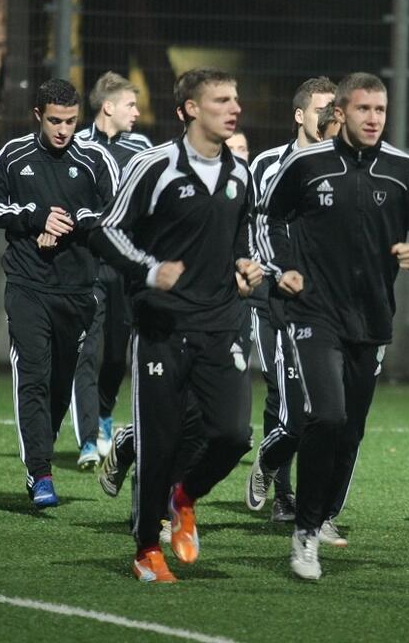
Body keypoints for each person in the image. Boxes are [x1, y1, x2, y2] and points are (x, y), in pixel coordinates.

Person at [254, 72, 409, 580]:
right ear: (340, 113)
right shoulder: (306, 164)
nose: (373, 119)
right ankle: (304, 531)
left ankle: (319, 517)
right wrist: (284, 267)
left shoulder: (404, 170)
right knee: (327, 415)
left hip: (372, 319)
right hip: (314, 314)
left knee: (352, 429)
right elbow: (268, 220)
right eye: (363, 110)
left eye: (380, 111)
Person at [91, 67, 262, 583]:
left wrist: (247, 267)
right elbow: (107, 229)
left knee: (233, 435)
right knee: (160, 443)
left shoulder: (240, 174)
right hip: (162, 327)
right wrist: (148, 271)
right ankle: (146, 547)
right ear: (189, 108)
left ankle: (185, 497)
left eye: (235, 99)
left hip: (221, 324)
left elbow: (243, 243)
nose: (233, 108)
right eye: (220, 100)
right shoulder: (155, 166)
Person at [0, 78, 119, 508]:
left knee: (62, 384)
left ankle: (45, 442)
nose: (64, 129)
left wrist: (76, 221)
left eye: (71, 121)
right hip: (28, 286)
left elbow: (117, 213)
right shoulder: (14, 155)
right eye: (55, 121)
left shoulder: (96, 158)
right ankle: (39, 472)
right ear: (39, 116)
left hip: (78, 289)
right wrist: (34, 218)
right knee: (34, 377)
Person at [245, 76, 337, 525]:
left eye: (335, 108)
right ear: (300, 115)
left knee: (314, 405)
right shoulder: (266, 165)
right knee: (285, 394)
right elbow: (253, 225)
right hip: (270, 299)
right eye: (322, 108)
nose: (331, 116)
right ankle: (284, 493)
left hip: (323, 306)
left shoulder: (342, 167)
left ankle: (274, 467)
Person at [71, 71, 152, 469]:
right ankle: (88, 440)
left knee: (117, 355)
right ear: (108, 107)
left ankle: (104, 413)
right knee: (85, 351)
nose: (137, 112)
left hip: (126, 267)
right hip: (88, 266)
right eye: (131, 105)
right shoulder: (78, 147)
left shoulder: (141, 148)